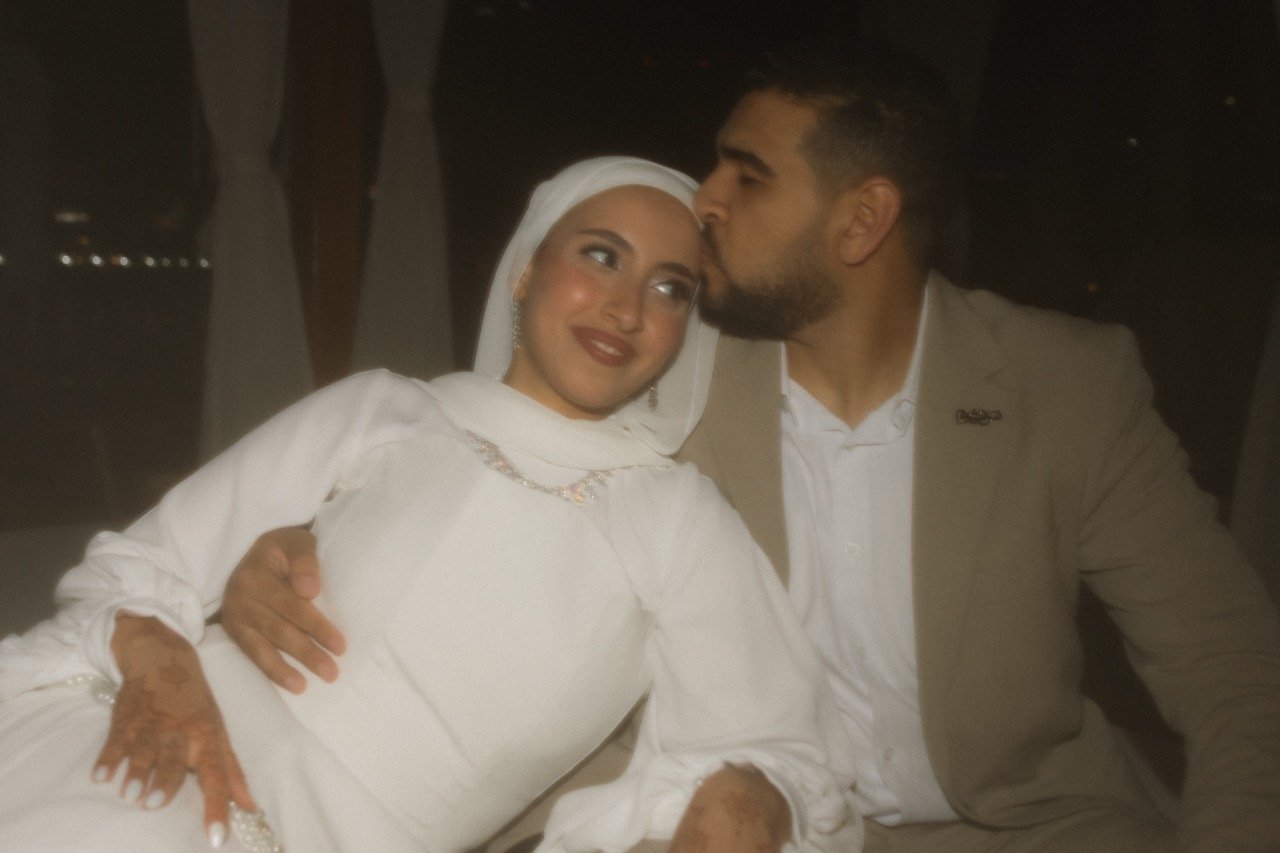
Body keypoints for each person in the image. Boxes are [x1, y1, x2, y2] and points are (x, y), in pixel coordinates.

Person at [223, 46, 1280, 852]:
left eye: (745, 176)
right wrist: (295, 543)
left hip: (1025, 830)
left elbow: (1236, 672)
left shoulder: (1065, 385)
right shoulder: (653, 376)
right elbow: (474, 497)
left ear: (861, 220)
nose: (703, 200)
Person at [0, 157, 861, 852]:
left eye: (672, 288)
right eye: (600, 255)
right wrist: (158, 659)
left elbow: (776, 748)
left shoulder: (679, 516)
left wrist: (740, 800)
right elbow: (140, 565)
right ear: (526, 271)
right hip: (152, 745)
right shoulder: (382, 406)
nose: (626, 307)